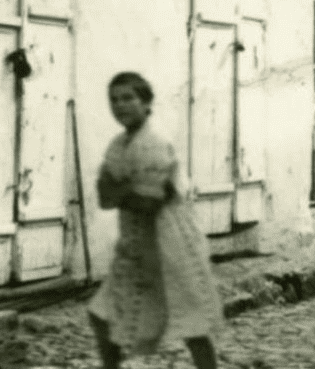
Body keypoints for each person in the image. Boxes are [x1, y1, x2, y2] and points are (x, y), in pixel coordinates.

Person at [88, 72, 222, 369]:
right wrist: (128, 191)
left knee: (192, 322)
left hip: (171, 245)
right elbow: (104, 198)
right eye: (114, 99)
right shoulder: (118, 145)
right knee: (102, 315)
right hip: (136, 246)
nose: (120, 105)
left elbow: (147, 203)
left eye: (128, 98)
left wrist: (122, 190)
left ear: (147, 102)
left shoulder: (154, 143)